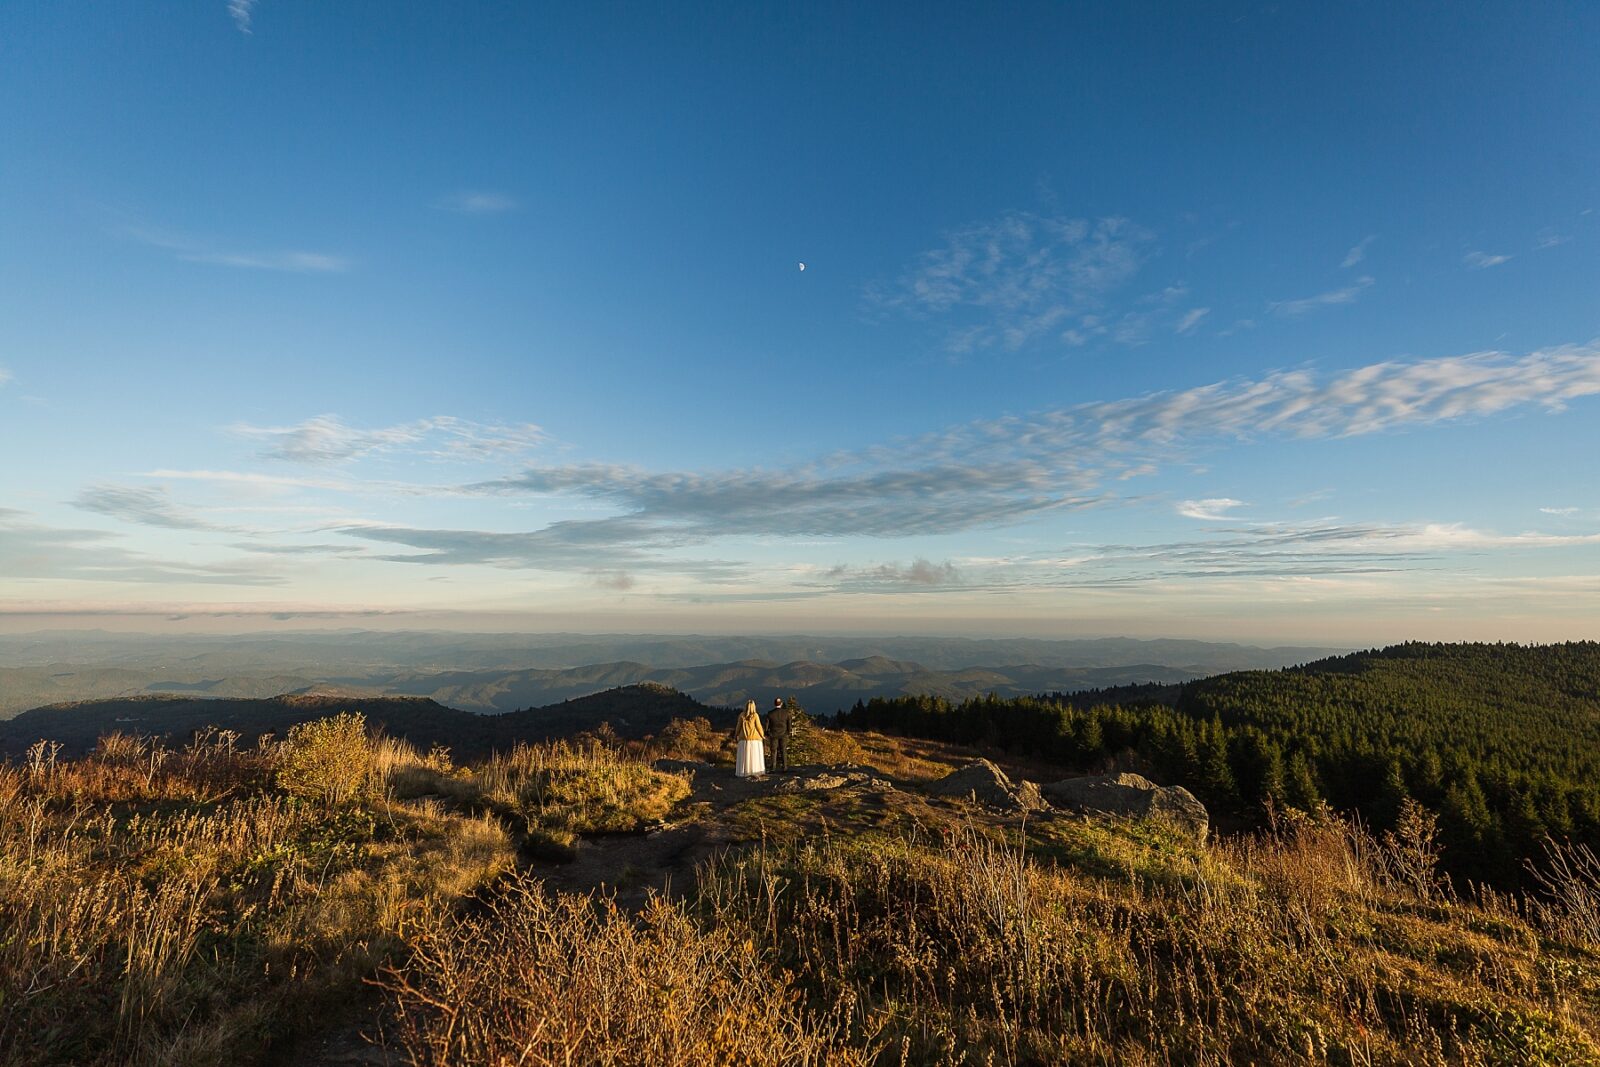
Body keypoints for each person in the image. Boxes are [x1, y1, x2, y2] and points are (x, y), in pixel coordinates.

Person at [733, 699, 766, 777]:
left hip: (743, 739)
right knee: (754, 757)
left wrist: (735, 735)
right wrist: (762, 735)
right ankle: (754, 771)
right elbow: (759, 727)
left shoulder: (742, 715)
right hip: (754, 739)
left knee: (745, 757)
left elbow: (738, 727)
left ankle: (744, 771)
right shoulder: (755, 715)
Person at [767, 697, 792, 771]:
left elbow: (767, 725)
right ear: (781, 704)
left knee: (773, 751)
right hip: (783, 734)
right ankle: (784, 767)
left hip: (773, 734)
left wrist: (768, 733)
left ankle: (773, 767)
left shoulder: (770, 713)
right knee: (783, 750)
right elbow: (789, 724)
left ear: (774, 704)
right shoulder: (786, 713)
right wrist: (788, 732)